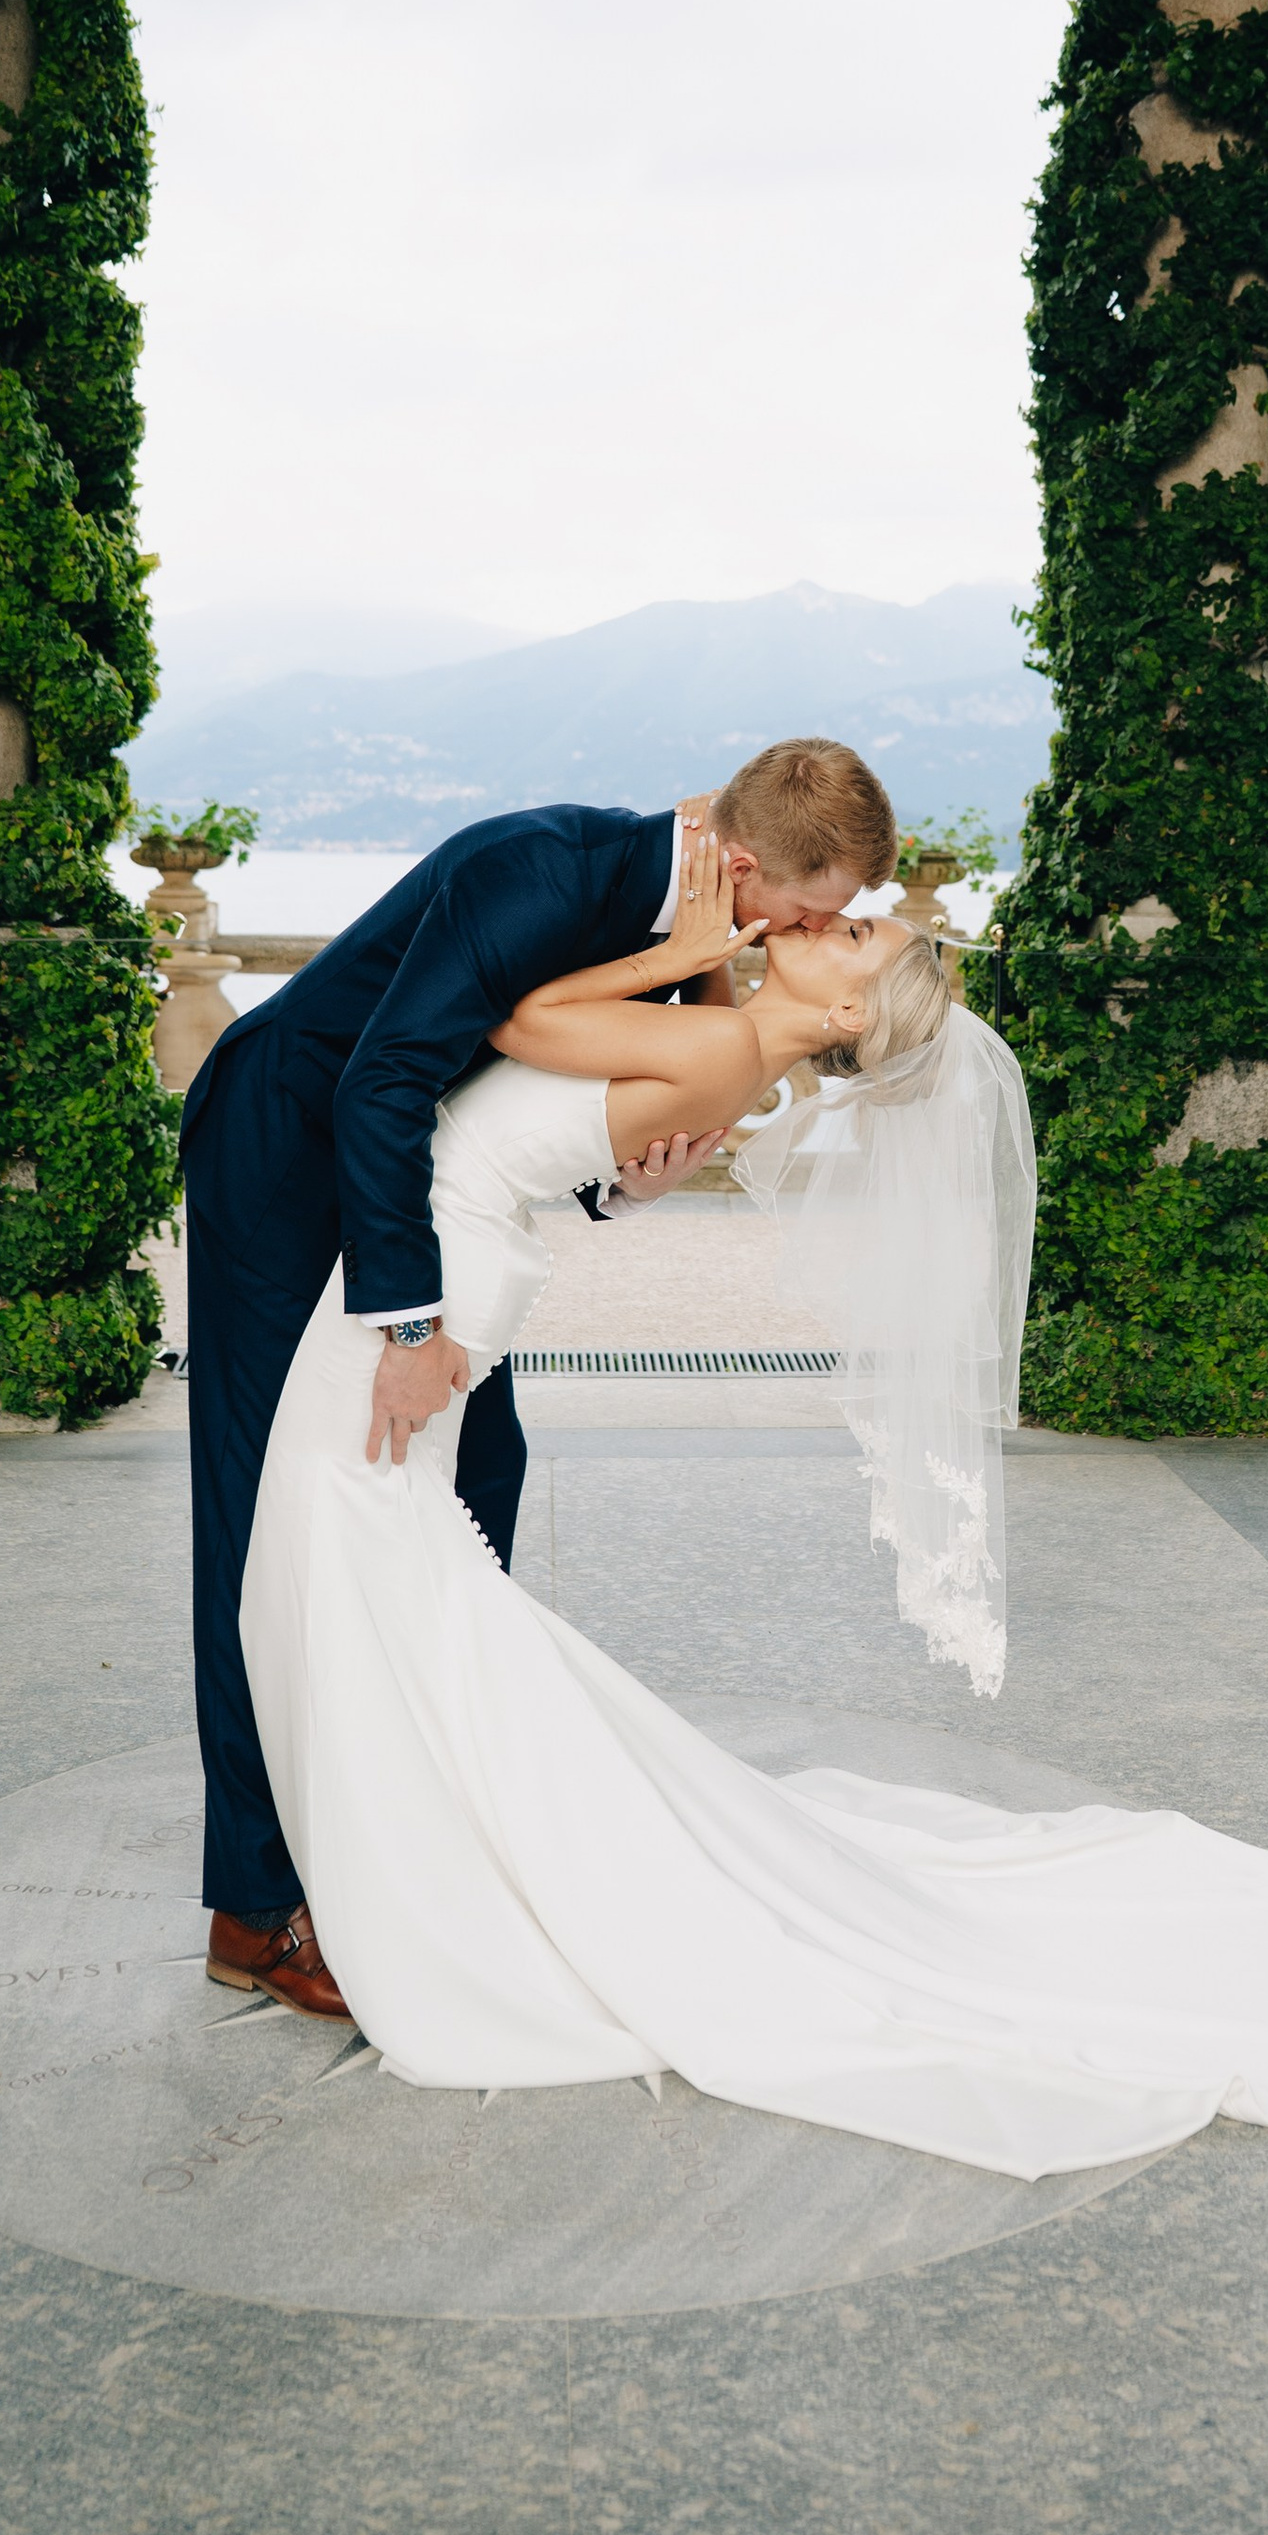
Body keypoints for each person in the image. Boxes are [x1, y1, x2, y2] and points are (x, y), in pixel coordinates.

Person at [234, 832, 1268, 2180]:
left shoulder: (720, 1053)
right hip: (456, 1279)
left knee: (364, 1567)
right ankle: (410, 1850)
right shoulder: (726, 1049)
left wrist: (682, 955)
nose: (836, 923)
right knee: (368, 1572)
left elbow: (517, 1018)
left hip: (437, 1300)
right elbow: (543, 1096)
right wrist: (697, 985)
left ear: (850, 1014)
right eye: (843, 915)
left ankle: (433, 1870)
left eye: (852, 938)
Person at [178, 740, 896, 2017]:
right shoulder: (541, 870)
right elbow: (382, 1080)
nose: (817, 931)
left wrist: (633, 1181)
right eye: (810, 910)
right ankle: (255, 1900)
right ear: (742, 866)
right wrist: (408, 1331)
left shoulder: (701, 949)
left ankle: (419, 1788)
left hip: (428, 1199)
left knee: (478, 1474)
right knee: (261, 1516)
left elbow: (556, 1113)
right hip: (287, 1146)